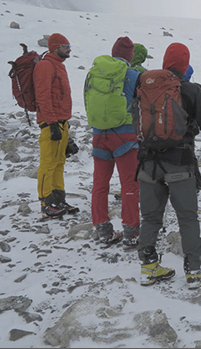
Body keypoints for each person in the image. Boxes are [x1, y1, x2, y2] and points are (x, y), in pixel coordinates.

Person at [137, 42, 201, 288]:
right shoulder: (192, 90)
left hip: (148, 164)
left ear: (165, 61)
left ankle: (148, 268)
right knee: (187, 217)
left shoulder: (145, 87)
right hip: (180, 163)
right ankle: (193, 271)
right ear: (185, 64)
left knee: (151, 218)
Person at [90, 36, 141, 248]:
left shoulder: (94, 73)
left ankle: (102, 230)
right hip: (125, 135)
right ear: (130, 57)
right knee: (129, 183)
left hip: (99, 134)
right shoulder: (132, 75)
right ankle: (131, 232)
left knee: (100, 183)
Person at [33, 33, 79, 218]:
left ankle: (59, 200)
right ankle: (46, 203)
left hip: (62, 122)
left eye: (69, 46)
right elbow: (43, 96)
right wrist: (51, 124)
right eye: (65, 46)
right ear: (55, 47)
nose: (69, 49)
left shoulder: (58, 66)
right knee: (48, 163)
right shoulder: (45, 65)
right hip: (50, 123)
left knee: (59, 162)